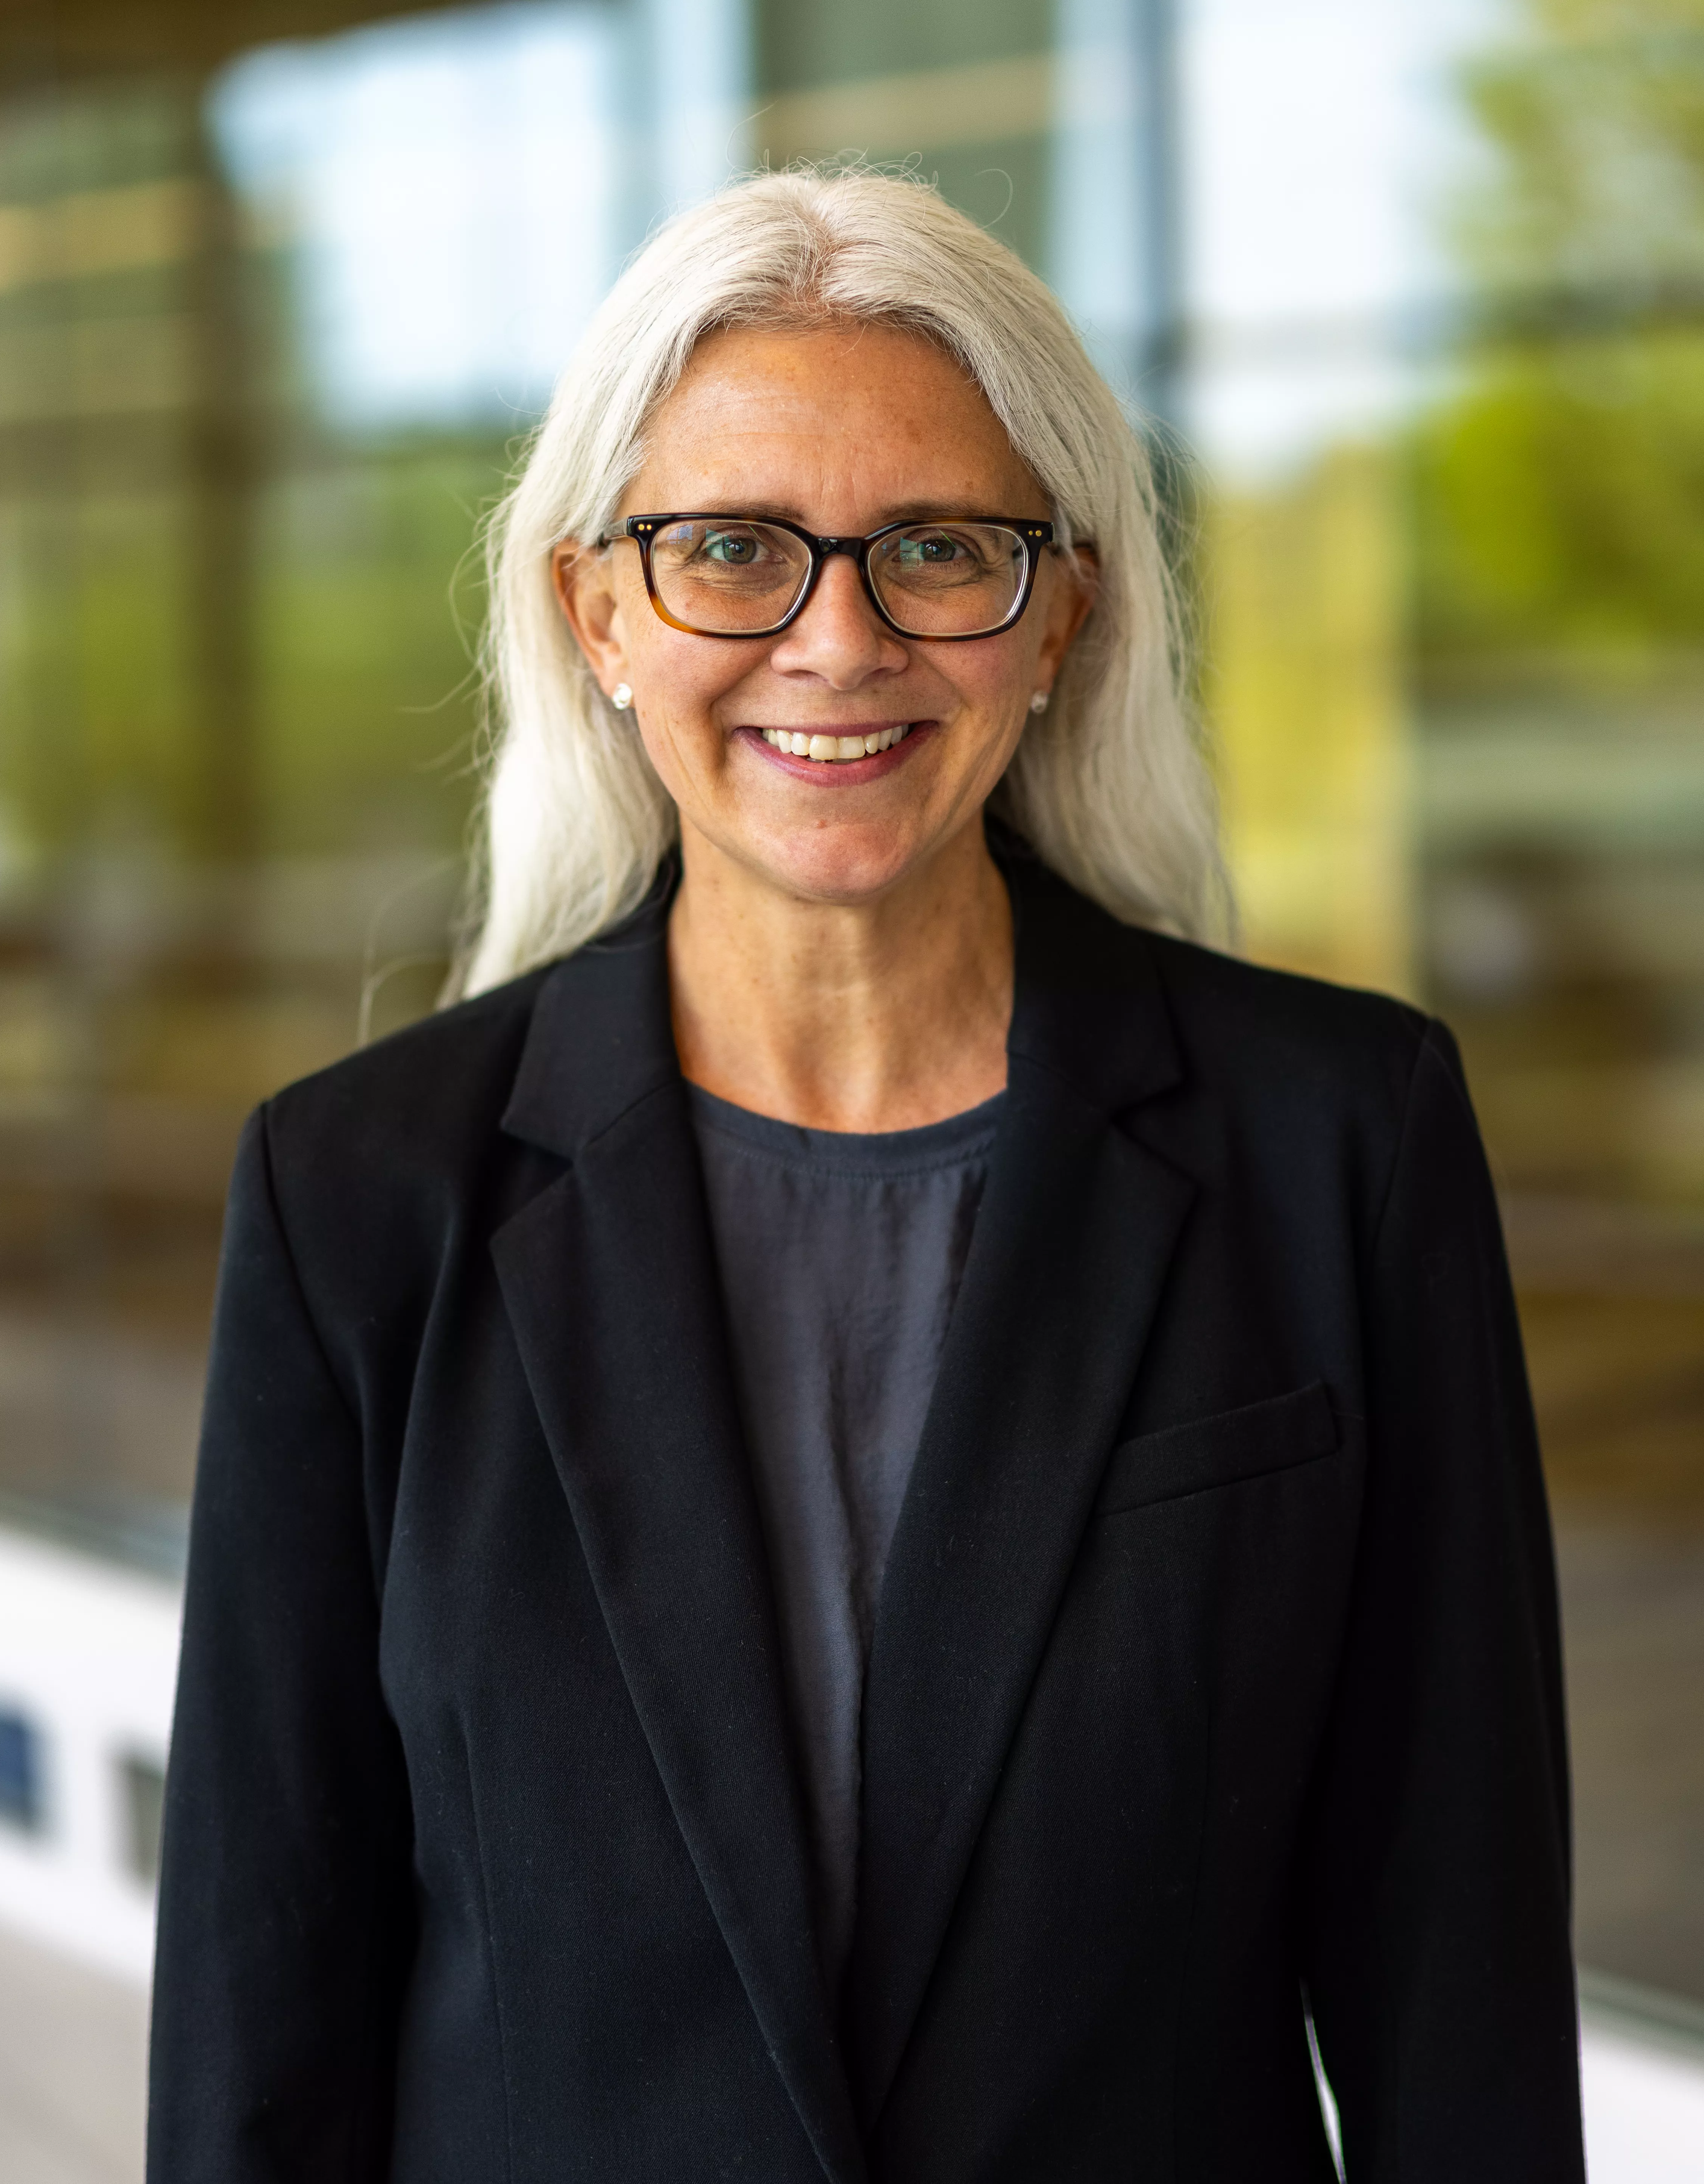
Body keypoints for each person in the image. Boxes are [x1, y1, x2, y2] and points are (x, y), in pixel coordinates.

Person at [147, 170, 1585, 2183]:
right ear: (599, 616)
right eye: (730, 548)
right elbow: (259, 2023)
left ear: (1064, 609)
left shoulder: (1339, 1142)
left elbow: (1468, 2006)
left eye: (938, 548)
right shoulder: (358, 1198)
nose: (839, 641)